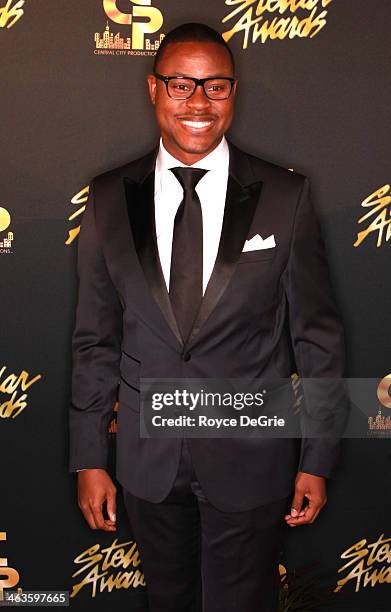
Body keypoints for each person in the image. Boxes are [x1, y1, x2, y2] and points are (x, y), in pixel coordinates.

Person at [69, 22, 346, 612]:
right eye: (181, 85)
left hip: (252, 459)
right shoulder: (107, 198)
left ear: (233, 92)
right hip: (149, 464)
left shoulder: (284, 196)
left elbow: (317, 338)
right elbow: (95, 340)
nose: (198, 102)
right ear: (153, 90)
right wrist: (91, 455)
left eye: (215, 86)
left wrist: (318, 457)